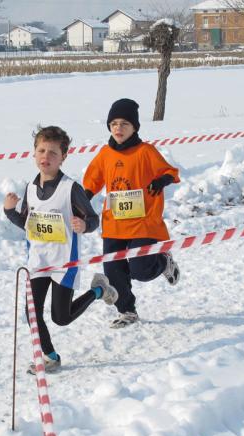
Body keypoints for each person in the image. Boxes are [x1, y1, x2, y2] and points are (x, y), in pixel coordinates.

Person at [4, 126, 118, 373]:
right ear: (34, 154)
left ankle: (99, 290)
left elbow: (93, 219)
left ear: (63, 157)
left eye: (53, 152)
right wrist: (10, 211)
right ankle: (51, 356)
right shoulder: (31, 189)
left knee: (61, 317)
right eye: (41, 150)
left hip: (64, 262)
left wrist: (84, 224)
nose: (46, 156)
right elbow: (28, 223)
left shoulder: (70, 189)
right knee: (32, 313)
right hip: (38, 262)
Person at [83, 98, 181, 328]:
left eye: (125, 123)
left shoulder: (145, 151)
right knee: (113, 269)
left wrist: (162, 179)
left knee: (141, 270)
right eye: (114, 123)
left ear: (135, 127)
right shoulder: (105, 154)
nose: (118, 128)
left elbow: (170, 171)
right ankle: (127, 310)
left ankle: (163, 261)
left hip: (143, 222)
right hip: (115, 223)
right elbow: (92, 180)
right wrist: (84, 196)